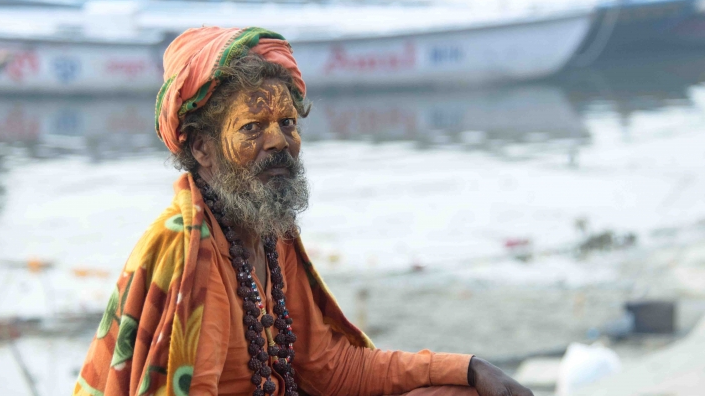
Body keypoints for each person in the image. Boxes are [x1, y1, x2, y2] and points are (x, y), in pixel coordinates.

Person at [74, 27, 533, 396]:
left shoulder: (268, 232)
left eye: (288, 123)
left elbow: (332, 369)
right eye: (253, 128)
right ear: (202, 148)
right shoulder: (191, 252)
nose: (278, 142)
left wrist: (467, 368)